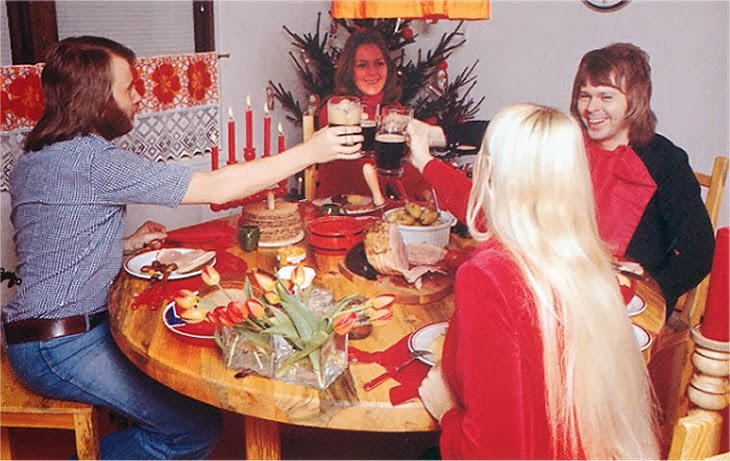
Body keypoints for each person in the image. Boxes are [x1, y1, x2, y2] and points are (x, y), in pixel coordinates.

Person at [2, 36, 361, 459]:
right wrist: (309, 151)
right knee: (193, 429)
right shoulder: (92, 160)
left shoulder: (36, 157)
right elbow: (217, 187)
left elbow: (49, 239)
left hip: (37, 333)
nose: (138, 97)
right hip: (61, 346)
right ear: (97, 98)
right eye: (129, 88)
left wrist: (123, 244)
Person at [417, 103, 660, 459]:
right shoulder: (592, 263)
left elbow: (493, 453)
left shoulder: (487, 277)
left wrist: (446, 413)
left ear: (488, 172)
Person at [409, 42, 714, 316]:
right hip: (560, 288)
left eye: (606, 96)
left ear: (634, 100)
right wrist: (435, 134)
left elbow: (699, 253)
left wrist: (651, 287)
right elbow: (506, 131)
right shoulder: (569, 138)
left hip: (627, 304)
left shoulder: (666, 160)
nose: (592, 108)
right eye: (585, 95)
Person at [315, 29, 431, 201]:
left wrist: (425, 190)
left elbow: (403, 163)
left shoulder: (394, 109)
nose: (373, 72)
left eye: (379, 63)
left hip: (379, 206)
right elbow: (365, 166)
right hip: (340, 206)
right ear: (349, 70)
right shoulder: (338, 109)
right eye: (362, 65)